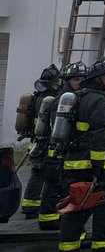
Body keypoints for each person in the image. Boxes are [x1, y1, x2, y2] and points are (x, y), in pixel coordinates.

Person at [57, 58, 105, 252]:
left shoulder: (80, 97)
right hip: (92, 165)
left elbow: (85, 132)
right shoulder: (99, 100)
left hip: (74, 162)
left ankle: (68, 249)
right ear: (98, 80)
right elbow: (99, 135)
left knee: (77, 207)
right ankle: (104, 248)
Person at [35, 61, 88, 232]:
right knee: (54, 184)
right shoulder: (65, 99)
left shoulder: (70, 96)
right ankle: (48, 219)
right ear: (67, 80)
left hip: (59, 149)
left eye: (82, 79)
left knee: (55, 185)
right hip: (58, 150)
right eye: (76, 79)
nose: (79, 82)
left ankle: (49, 217)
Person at [20, 65, 62, 219]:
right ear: (54, 83)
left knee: (37, 173)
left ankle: (30, 205)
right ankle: (32, 207)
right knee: (43, 174)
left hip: (36, 143)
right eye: (57, 82)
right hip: (45, 143)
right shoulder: (50, 100)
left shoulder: (37, 96)